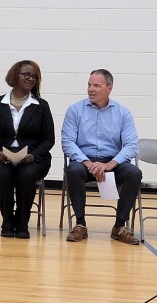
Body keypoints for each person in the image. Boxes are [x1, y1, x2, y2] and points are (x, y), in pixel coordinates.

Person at [61, 69, 142, 245]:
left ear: (109, 88)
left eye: (96, 85)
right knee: (73, 170)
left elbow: (131, 145)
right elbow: (67, 142)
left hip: (113, 162)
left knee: (134, 173)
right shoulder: (75, 110)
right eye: (89, 85)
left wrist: (109, 165)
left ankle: (119, 226)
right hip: (84, 161)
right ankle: (80, 224)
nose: (91, 89)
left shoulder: (123, 113)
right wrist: (89, 163)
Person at [0, 60, 55, 238]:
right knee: (1, 173)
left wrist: (34, 155)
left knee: (26, 175)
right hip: (1, 156)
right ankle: (7, 220)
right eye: (26, 74)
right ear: (15, 76)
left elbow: (48, 139)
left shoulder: (41, 106)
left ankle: (22, 222)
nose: (30, 78)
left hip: (32, 158)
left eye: (34, 76)